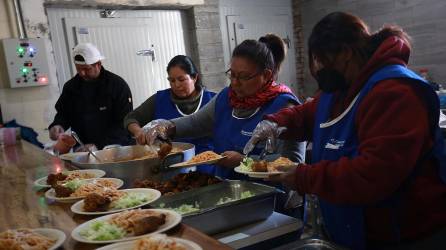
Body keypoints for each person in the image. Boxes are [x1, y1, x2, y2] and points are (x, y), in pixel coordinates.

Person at [244, 12, 446, 250]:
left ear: (346, 53)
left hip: (404, 233)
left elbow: (372, 174)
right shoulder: (343, 86)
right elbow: (309, 114)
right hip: (354, 230)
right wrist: (275, 123)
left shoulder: (396, 92)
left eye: (322, 60)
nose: (318, 69)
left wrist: (303, 176)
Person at [141, 33, 306, 179]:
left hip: (272, 200)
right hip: (230, 190)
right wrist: (166, 125)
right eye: (232, 74)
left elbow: (292, 164)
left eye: (243, 77)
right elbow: (195, 123)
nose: (235, 83)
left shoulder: (284, 105)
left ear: (266, 75)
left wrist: (245, 162)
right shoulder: (227, 97)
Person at [124, 55, 216, 173]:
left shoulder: (213, 101)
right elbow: (131, 118)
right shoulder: (159, 100)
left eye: (181, 79)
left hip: (207, 167)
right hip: (169, 168)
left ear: (194, 77)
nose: (176, 85)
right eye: (172, 80)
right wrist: (138, 131)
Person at [49, 43, 133, 151]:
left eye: (86, 69)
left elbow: (124, 123)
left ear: (98, 64)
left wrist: (98, 145)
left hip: (114, 148)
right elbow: (64, 113)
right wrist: (58, 125)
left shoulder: (117, 86)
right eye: (78, 69)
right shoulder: (71, 87)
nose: (82, 73)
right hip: (82, 148)